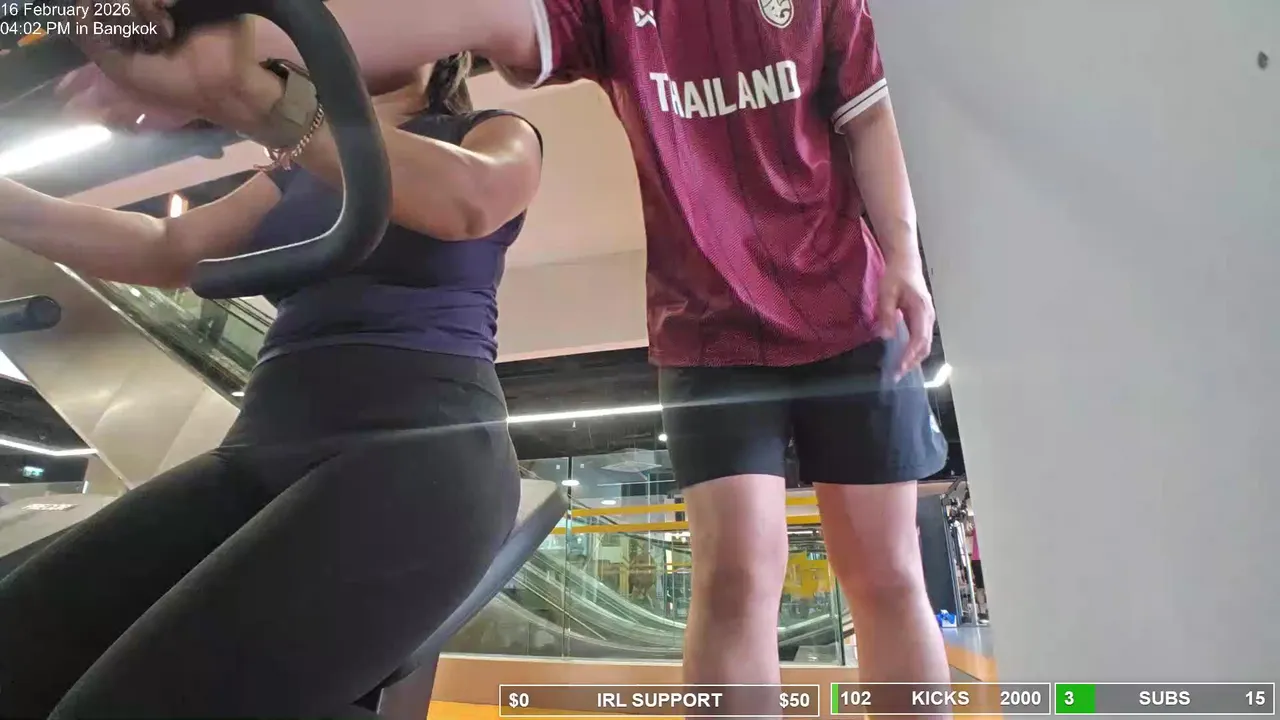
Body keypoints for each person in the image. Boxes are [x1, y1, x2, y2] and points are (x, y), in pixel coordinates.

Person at [64, 0, 950, 714]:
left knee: (884, 574)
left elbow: (870, 121)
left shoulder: (826, 8)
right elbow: (467, 12)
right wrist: (219, 53)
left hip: (850, 309)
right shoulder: (611, 13)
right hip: (710, 330)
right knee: (735, 577)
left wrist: (906, 260)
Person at [0, 46, 544, 716]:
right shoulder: (296, 165)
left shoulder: (491, 132)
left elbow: (470, 201)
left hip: (420, 451)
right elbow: (164, 246)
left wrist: (275, 107)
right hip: (264, 443)